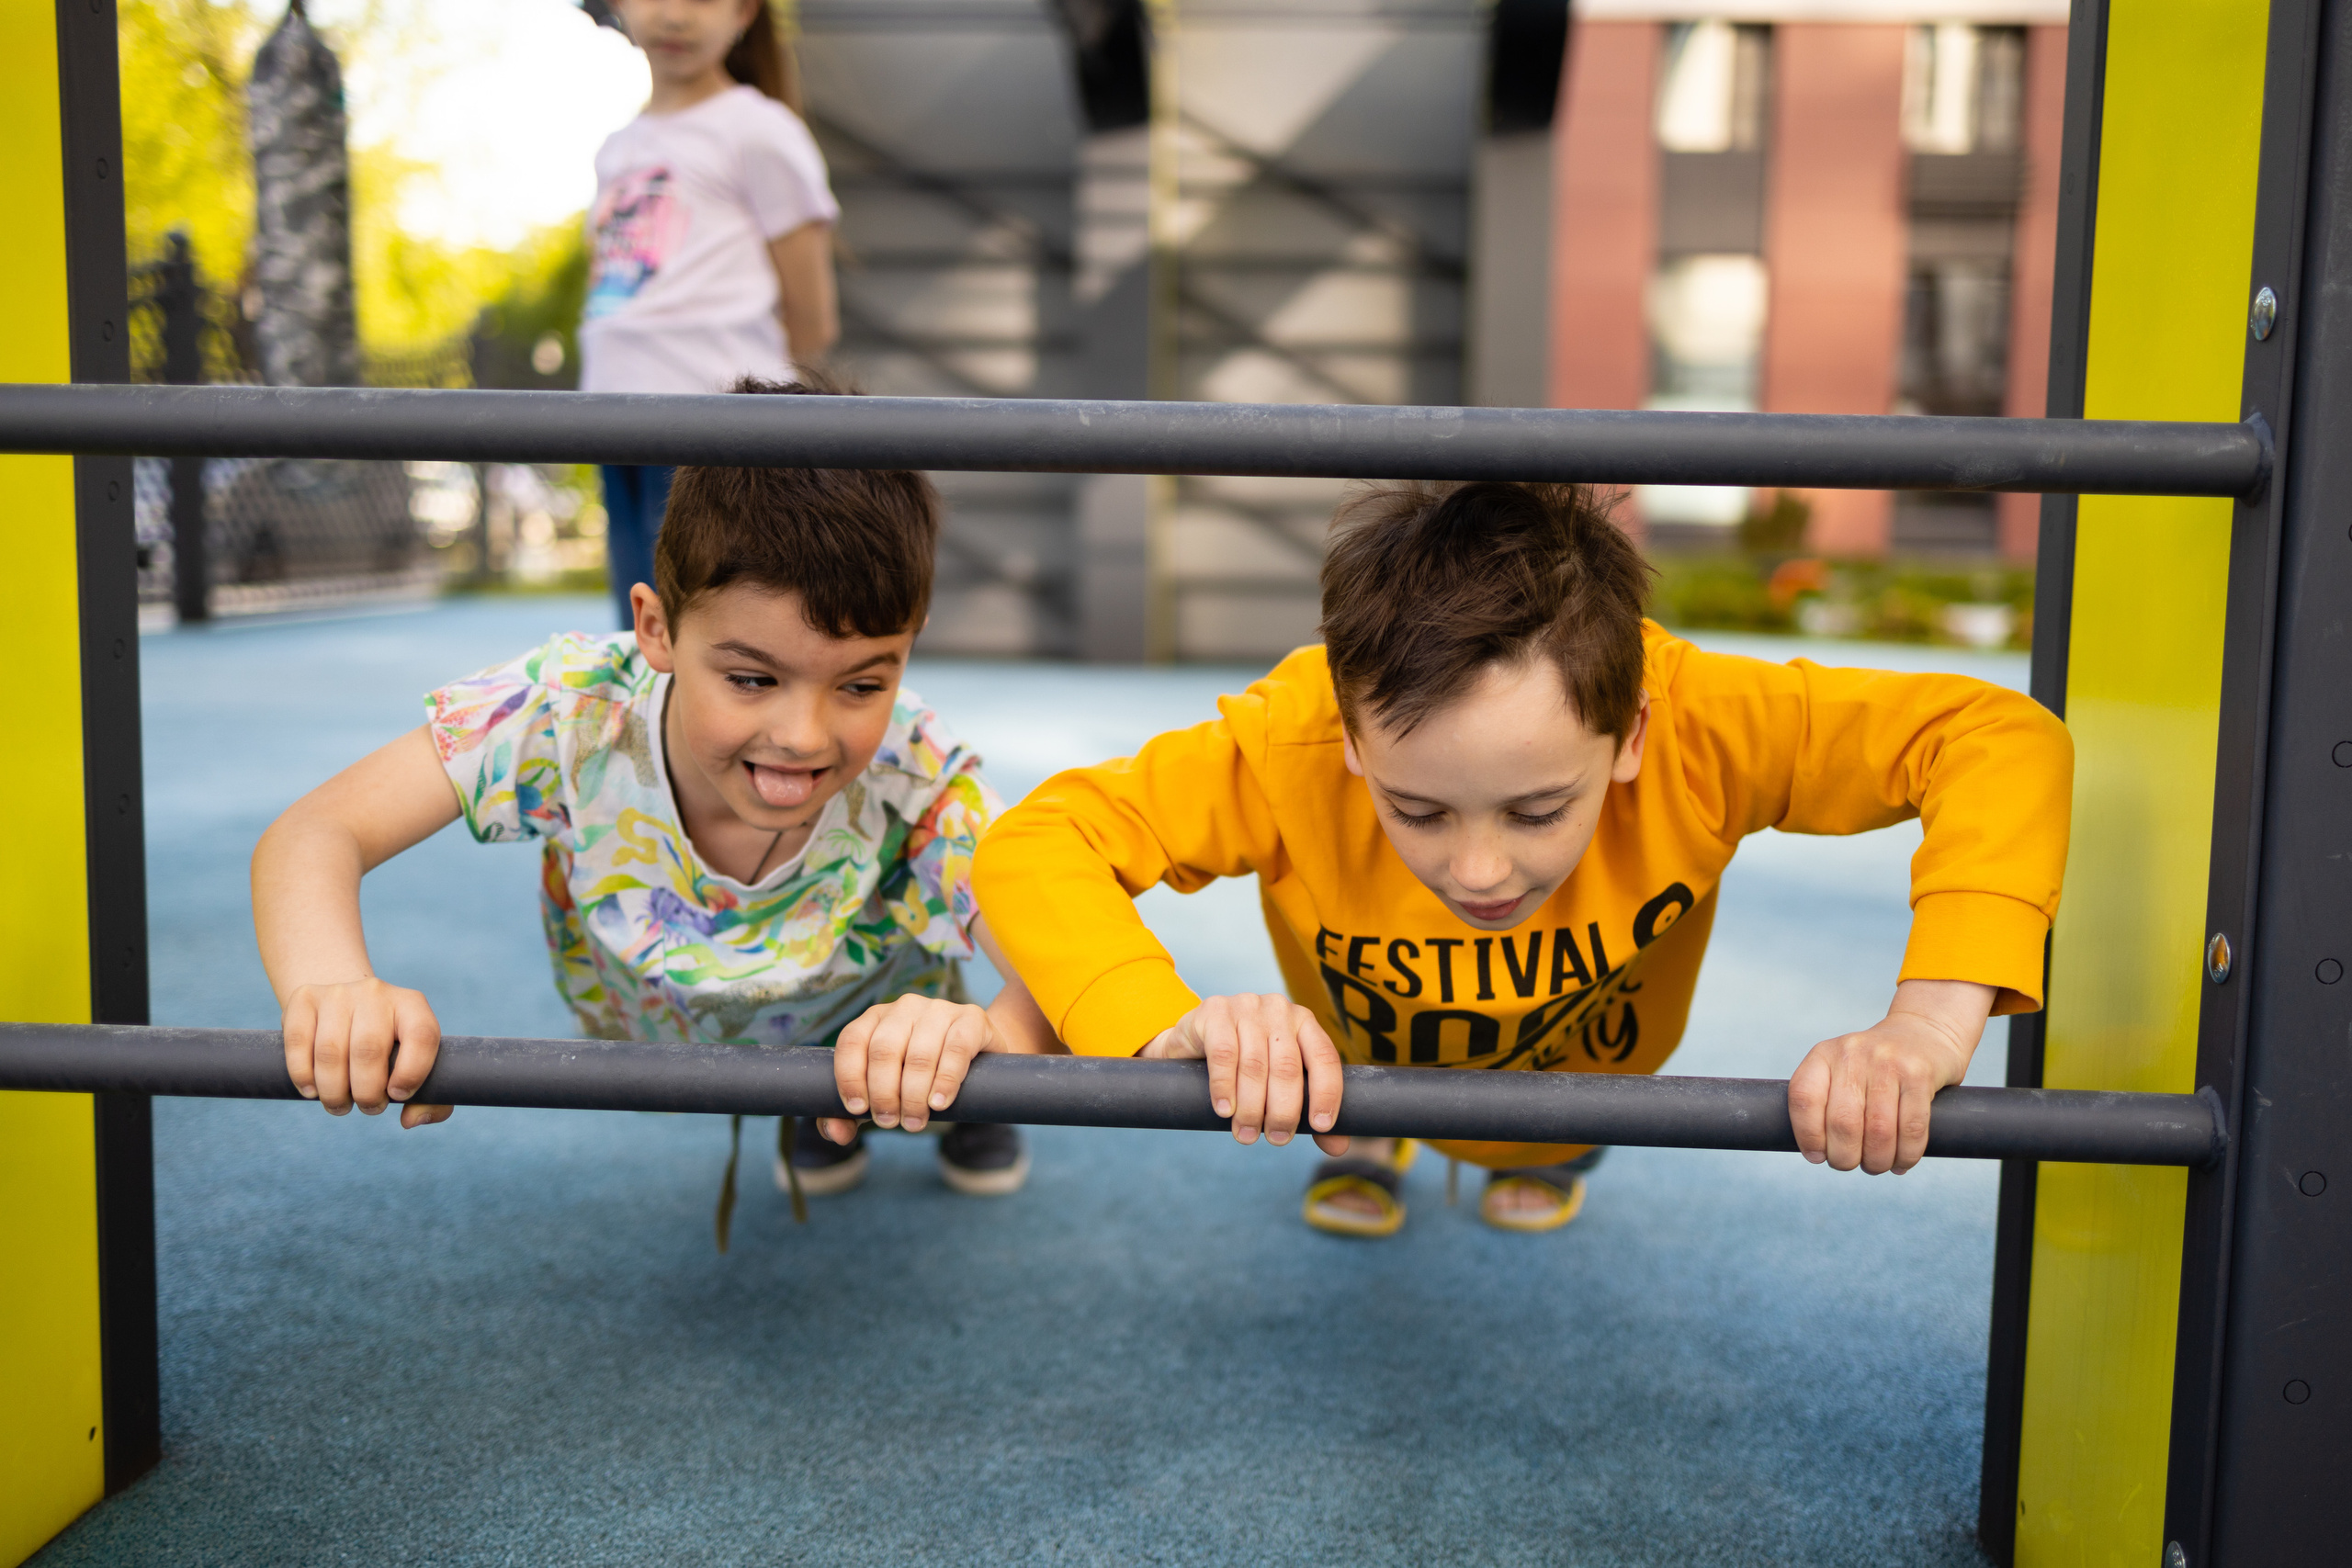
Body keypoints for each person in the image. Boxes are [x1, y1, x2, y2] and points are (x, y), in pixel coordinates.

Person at [964, 480, 2072, 1237]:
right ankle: (1366, 1143)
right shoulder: (1290, 741)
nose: (1480, 871)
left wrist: (1926, 1024)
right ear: (1352, 739)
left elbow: (1995, 737)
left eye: (1538, 809)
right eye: (1418, 809)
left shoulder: (1702, 722)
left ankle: (1547, 1146)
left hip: (1583, 1075)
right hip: (1353, 1076)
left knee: (1543, 1134)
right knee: (1345, 1109)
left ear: (1630, 734)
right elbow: (1039, 838)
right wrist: (1159, 1021)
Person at [252, 379, 1054, 1227]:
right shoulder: (575, 711)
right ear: (657, 626)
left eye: (862, 682)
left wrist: (986, 1041)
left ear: (910, 641)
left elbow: (1065, 944)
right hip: (661, 1002)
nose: (805, 735)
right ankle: (823, 1106)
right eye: (751, 678)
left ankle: (937, 1096)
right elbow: (315, 831)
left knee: (935, 1055)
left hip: (860, 1008)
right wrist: (334, 987)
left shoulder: (915, 771)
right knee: (831, 1094)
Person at [582, 0, 841, 628]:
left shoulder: (758, 130)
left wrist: (759, 418)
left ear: (745, 12)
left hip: (709, 429)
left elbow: (814, 318)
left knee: (700, 636)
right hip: (613, 423)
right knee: (641, 632)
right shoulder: (619, 146)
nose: (675, 16)